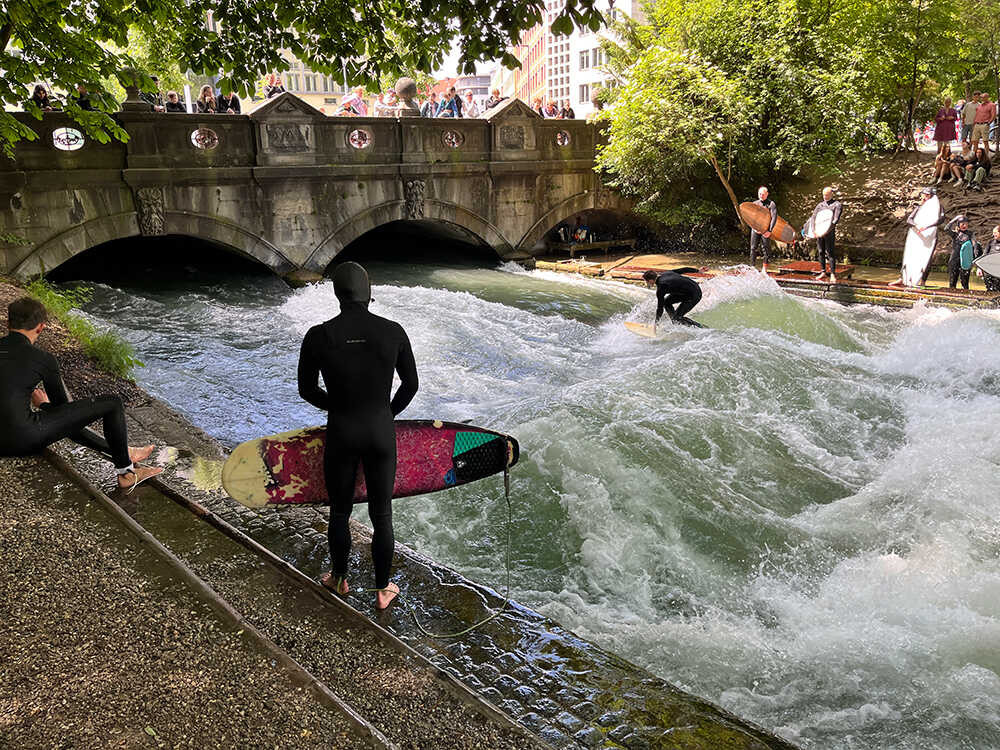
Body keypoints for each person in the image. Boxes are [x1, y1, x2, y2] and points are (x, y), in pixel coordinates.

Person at [297, 263, 418, 610]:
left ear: (337, 293)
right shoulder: (393, 331)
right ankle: (382, 590)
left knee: (339, 512)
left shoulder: (318, 335)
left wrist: (337, 405)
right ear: (369, 292)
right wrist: (386, 413)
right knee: (382, 515)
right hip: (380, 432)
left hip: (342, 431)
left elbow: (306, 389)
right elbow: (411, 385)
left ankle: (339, 578)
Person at [0, 298, 161, 490]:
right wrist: (43, 405)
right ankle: (126, 472)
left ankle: (125, 452)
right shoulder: (43, 359)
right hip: (21, 441)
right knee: (113, 402)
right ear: (41, 327)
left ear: (8, 323)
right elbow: (65, 414)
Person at [891, 187, 944, 287]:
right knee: (910, 255)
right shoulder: (919, 207)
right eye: (925, 195)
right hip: (917, 235)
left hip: (930, 236)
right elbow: (909, 220)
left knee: (927, 258)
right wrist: (917, 226)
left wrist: (928, 226)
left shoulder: (938, 207)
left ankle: (923, 281)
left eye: (928, 195)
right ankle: (903, 278)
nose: (925, 197)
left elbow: (941, 219)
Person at [642, 267, 706, 327]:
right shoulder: (666, 273)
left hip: (694, 295)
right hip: (694, 288)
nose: (647, 283)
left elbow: (660, 308)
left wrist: (656, 323)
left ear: (650, 280)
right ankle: (675, 322)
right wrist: (698, 270)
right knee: (666, 302)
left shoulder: (661, 288)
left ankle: (700, 327)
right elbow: (683, 270)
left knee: (677, 318)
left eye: (646, 281)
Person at [811, 187, 843, 282]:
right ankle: (823, 272)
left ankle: (832, 274)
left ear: (831, 194)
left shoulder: (837, 205)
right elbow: (813, 217)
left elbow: (835, 220)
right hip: (819, 232)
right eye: (823, 195)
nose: (825, 197)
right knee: (821, 251)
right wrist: (814, 230)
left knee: (830, 252)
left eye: (827, 195)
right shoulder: (820, 205)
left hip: (829, 232)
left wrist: (826, 230)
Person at [749, 186, 777, 274]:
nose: (761, 195)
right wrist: (753, 227)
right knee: (753, 248)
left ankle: (764, 268)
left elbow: (774, 218)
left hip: (766, 230)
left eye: (763, 194)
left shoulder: (771, 204)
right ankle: (752, 267)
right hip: (755, 229)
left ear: (767, 194)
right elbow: (750, 217)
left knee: (766, 249)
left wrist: (770, 230)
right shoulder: (754, 203)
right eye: (760, 194)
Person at [944, 214, 976, 290]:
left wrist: (974, 259)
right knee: (952, 283)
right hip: (954, 260)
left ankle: (966, 296)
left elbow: (974, 246)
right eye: (962, 224)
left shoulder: (970, 234)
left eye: (966, 224)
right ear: (958, 224)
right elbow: (946, 229)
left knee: (965, 284)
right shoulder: (955, 234)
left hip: (965, 261)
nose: (964, 225)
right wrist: (954, 219)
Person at [975, 225, 1000, 291]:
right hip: (989, 271)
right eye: (993, 233)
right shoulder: (990, 243)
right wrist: (979, 268)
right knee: (990, 289)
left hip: (998, 272)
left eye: (995, 233)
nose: (993, 234)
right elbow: (984, 256)